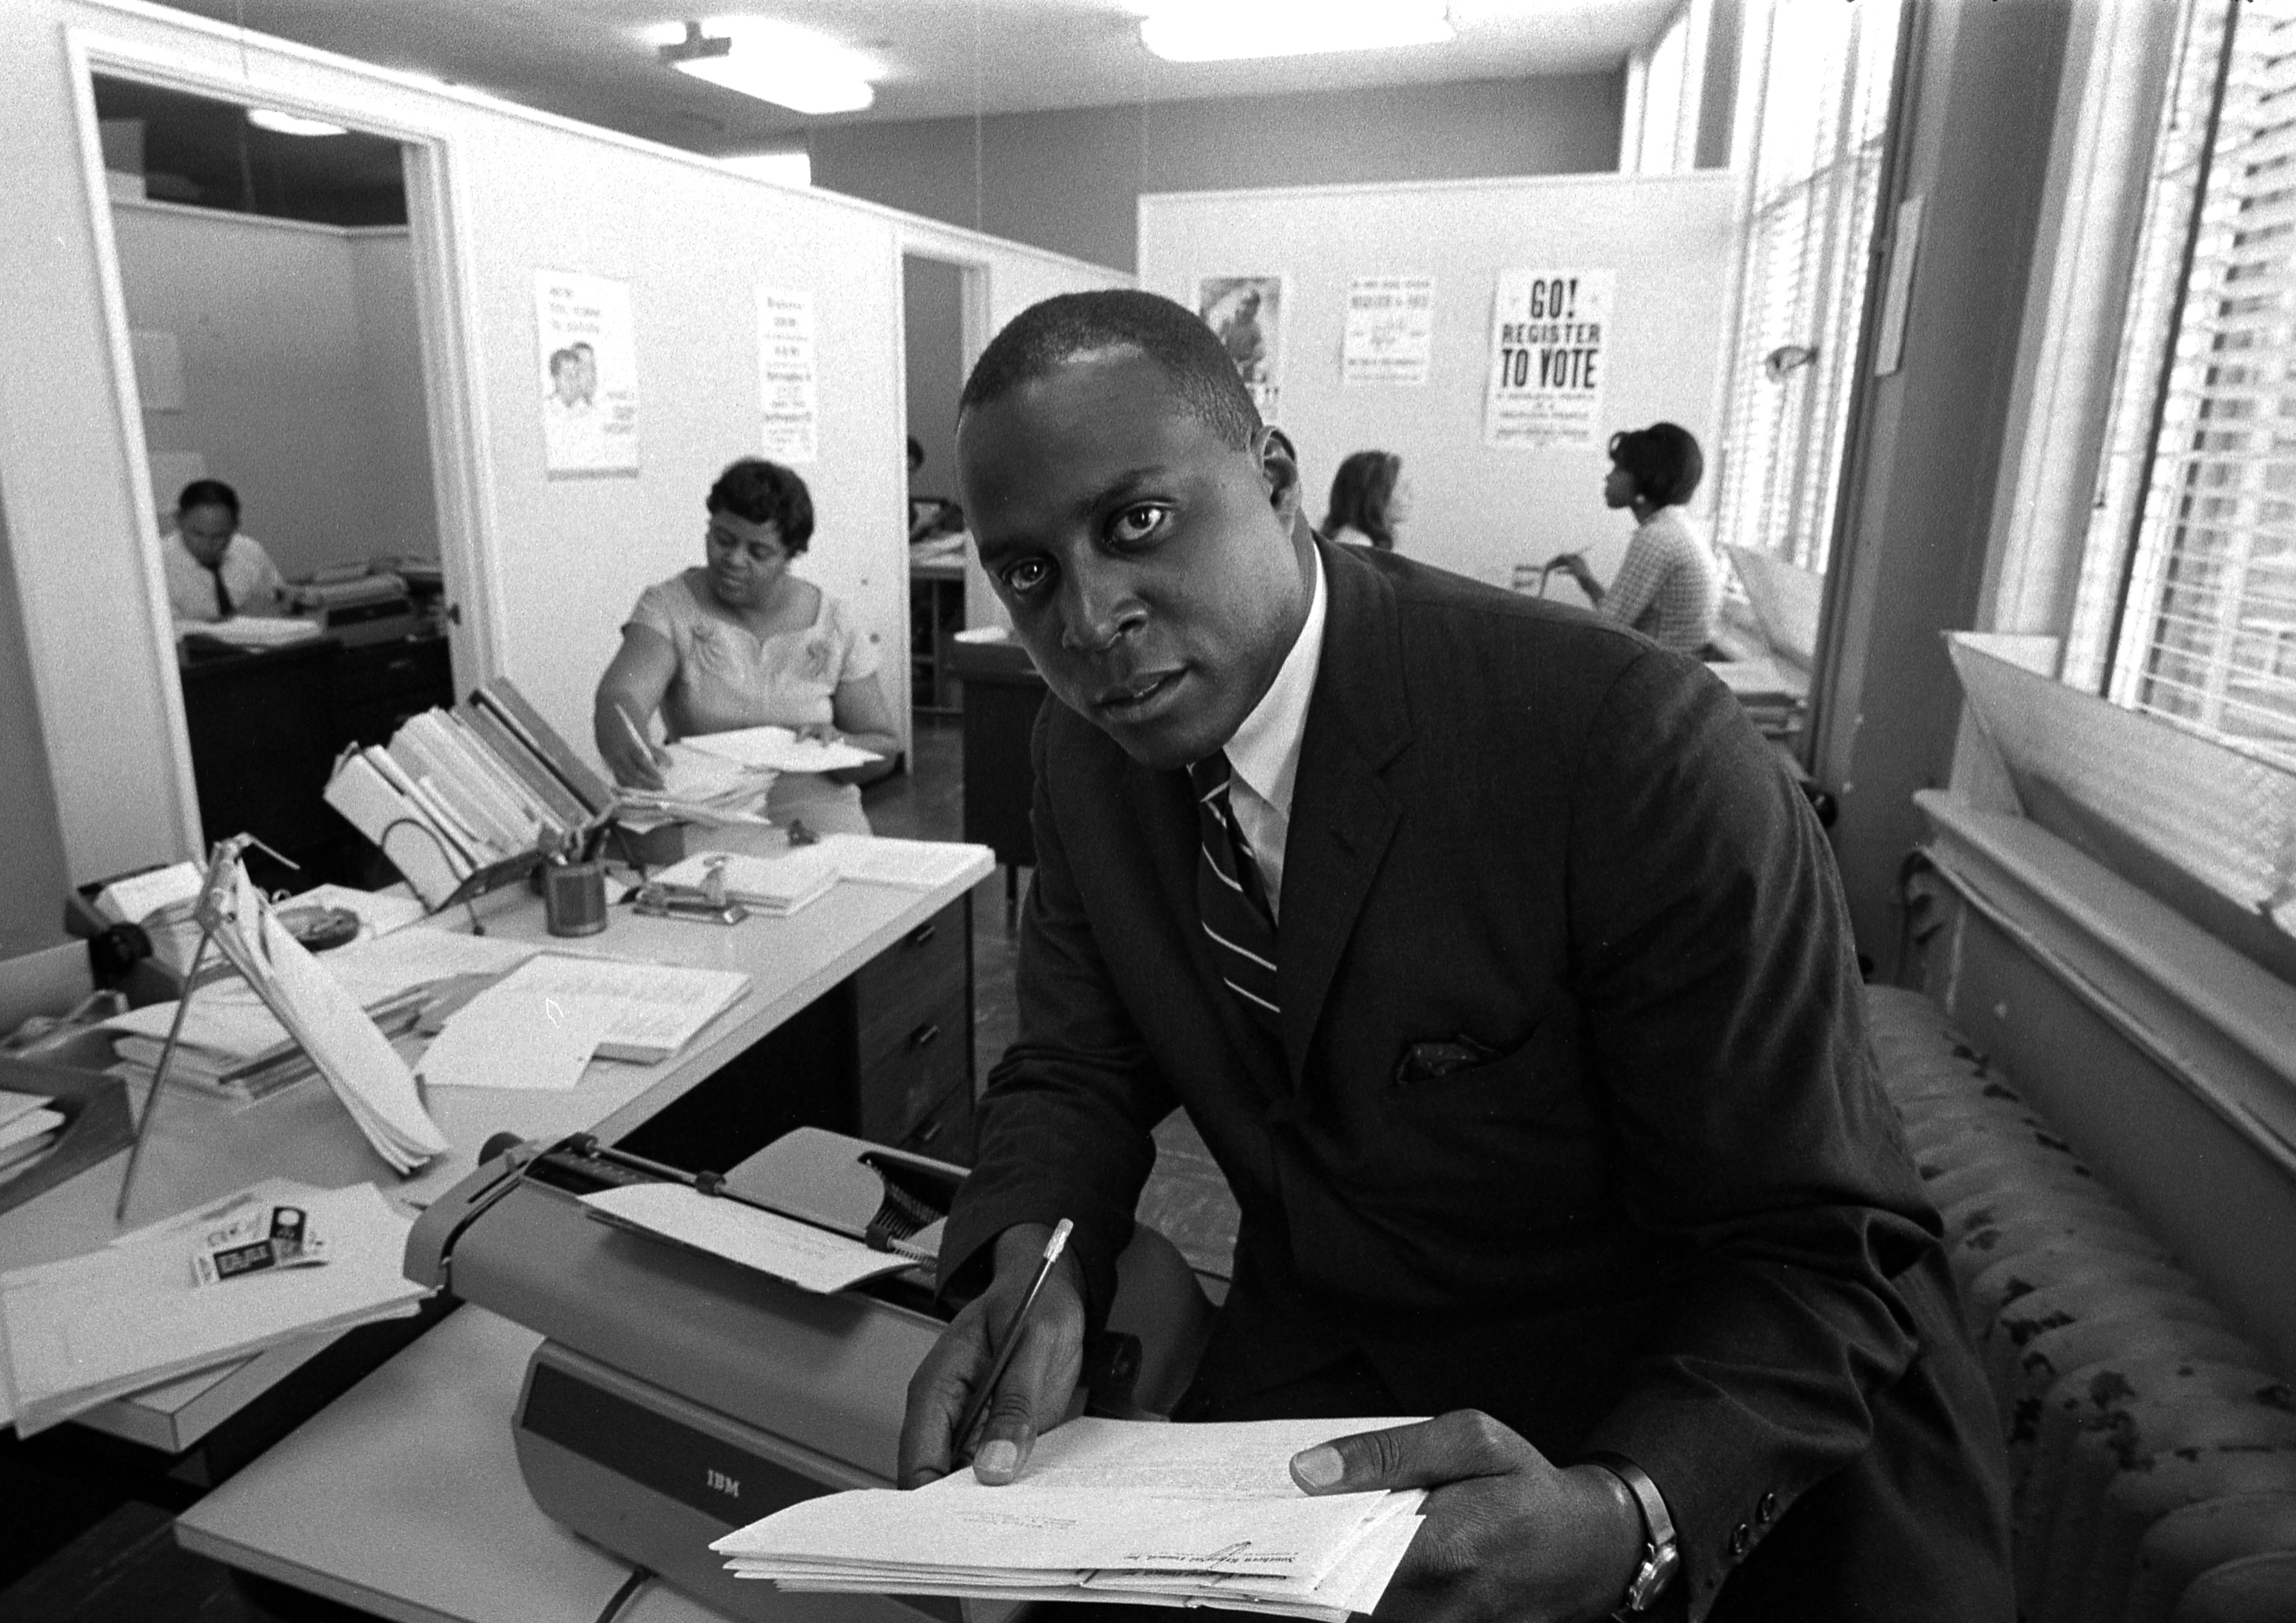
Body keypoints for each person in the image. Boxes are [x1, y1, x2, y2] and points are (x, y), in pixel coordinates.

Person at [897, 292, 2009, 1622]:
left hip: (1679, 1423)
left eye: (1134, 522)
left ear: (1275, 479)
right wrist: (1042, 1254)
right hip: (1338, 1371)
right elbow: (1075, 1063)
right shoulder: (1087, 760)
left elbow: (1820, 1249)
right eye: (1025, 571)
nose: (1084, 618)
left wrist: (1629, 1515)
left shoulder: (1625, 746)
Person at [593, 458, 899, 835]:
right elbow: (623, 694)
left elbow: (884, 747)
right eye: (723, 540)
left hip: (817, 818)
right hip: (706, 817)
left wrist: (841, 747)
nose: (734, 560)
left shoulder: (834, 623)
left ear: (791, 555)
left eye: (758, 552)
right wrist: (625, 740)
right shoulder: (670, 607)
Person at [1545, 422, 1720, 653]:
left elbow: (1608, 628)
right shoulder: (1675, 528)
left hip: (1661, 676)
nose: (1608, 478)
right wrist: (1586, 580)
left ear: (1645, 479)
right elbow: (1618, 617)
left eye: (1618, 469)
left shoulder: (1657, 538)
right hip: (1674, 669)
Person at [158, 479, 283, 622]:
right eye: (198, 534)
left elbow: (278, 601)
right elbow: (168, 631)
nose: (208, 544)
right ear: (179, 520)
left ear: (235, 526)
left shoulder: (250, 551)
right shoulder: (156, 563)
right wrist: (235, 619)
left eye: (220, 536)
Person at [1320, 449, 1408, 551]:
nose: (1410, 496)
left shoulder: (1354, 539)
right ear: (1376, 496)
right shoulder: (1358, 544)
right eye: (1403, 489)